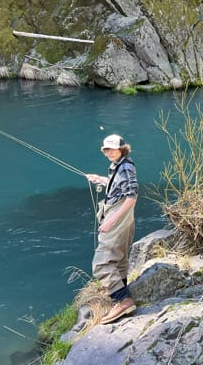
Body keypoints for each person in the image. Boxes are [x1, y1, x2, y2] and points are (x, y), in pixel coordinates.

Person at [85, 134, 138, 324]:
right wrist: (101, 180)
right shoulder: (121, 165)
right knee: (119, 256)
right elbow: (120, 186)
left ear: (122, 149)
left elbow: (132, 197)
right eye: (106, 149)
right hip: (123, 215)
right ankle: (122, 293)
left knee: (101, 263)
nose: (108, 153)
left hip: (118, 215)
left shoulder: (124, 168)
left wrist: (110, 221)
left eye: (112, 149)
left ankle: (123, 301)